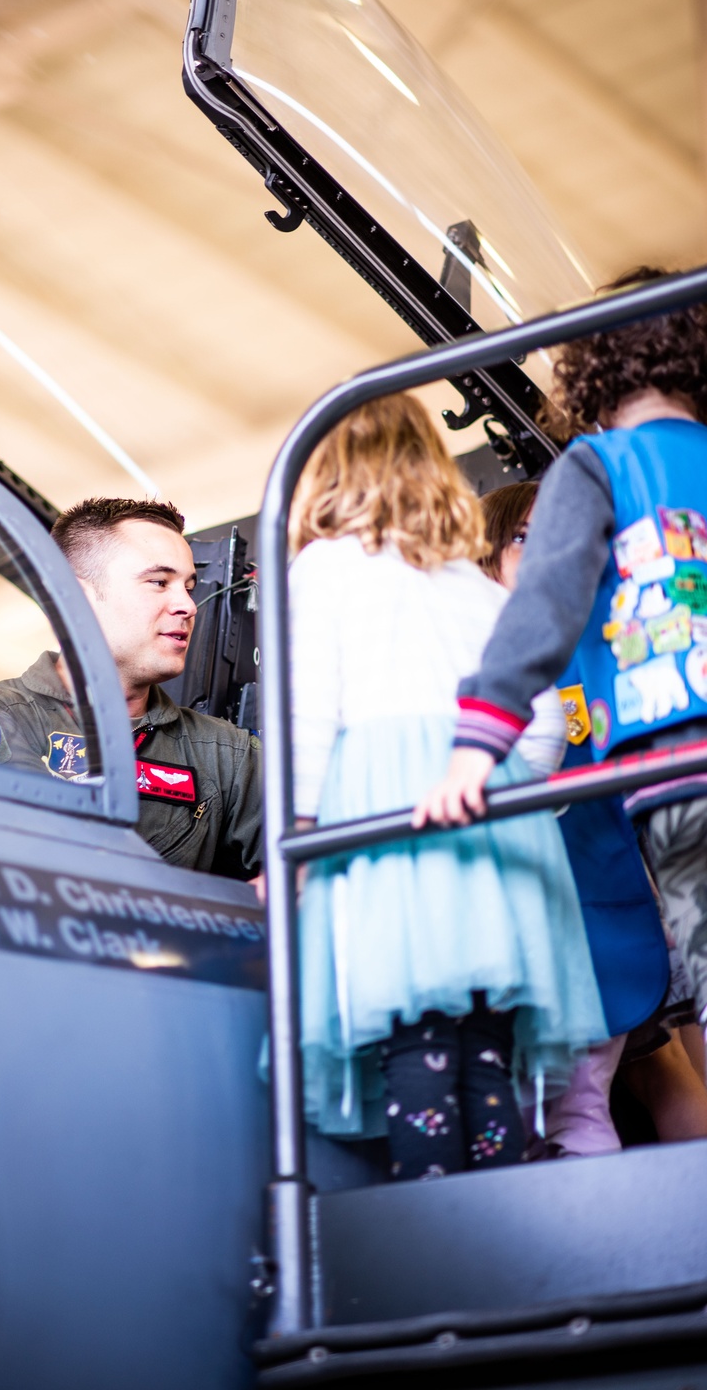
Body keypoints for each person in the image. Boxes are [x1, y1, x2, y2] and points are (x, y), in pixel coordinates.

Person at [289, 393, 606, 1180]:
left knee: (417, 1040)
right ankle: (498, 1235)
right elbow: (535, 724)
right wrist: (502, 783)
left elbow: (306, 715)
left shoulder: (325, 567)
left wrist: (297, 836)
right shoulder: (477, 587)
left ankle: (437, 1240)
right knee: (484, 1051)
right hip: (490, 814)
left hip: (388, 812)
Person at [417, 267, 707, 1033]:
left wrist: (477, 747)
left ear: (592, 369)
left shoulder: (595, 466)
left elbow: (540, 610)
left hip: (672, 764)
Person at [480, 481, 668, 1156]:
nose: (545, 551)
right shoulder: (464, 649)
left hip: (603, 909)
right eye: (524, 535)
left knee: (582, 1113)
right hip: (498, 913)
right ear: (487, 552)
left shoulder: (610, 647)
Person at [0, 497, 261, 879]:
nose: (187, 605)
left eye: (188, 587)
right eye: (159, 582)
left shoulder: (227, 757)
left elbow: (313, 865)